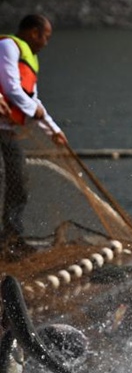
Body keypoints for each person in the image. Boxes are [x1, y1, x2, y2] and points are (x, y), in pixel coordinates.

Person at [0, 14, 68, 257]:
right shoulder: (8, 46)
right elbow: (10, 88)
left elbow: (33, 99)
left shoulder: (31, 59)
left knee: (19, 183)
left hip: (7, 131)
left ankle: (11, 239)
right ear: (32, 32)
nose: (46, 42)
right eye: (45, 36)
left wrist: (54, 131)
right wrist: (32, 110)